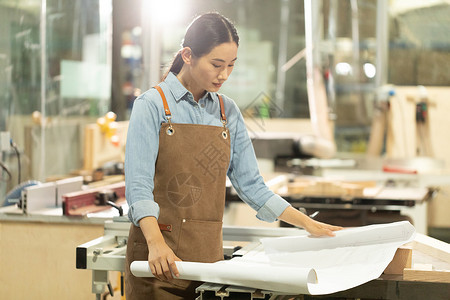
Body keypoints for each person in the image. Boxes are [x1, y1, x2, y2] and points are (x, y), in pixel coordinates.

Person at [124, 12, 342, 300]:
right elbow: (138, 187)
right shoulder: (151, 105)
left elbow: (252, 185)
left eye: (231, 65)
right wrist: (155, 243)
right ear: (188, 55)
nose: (224, 75)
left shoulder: (228, 112)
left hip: (209, 263)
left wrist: (305, 222)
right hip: (159, 262)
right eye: (216, 65)